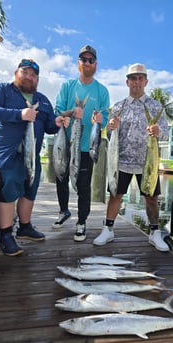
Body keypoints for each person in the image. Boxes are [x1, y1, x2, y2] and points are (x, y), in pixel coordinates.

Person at [0, 59, 70, 256]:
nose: (29, 77)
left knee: (30, 189)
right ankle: (5, 235)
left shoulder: (43, 100)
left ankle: (25, 227)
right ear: (16, 73)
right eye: (25, 72)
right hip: (7, 154)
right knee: (8, 190)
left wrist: (57, 122)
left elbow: (48, 127)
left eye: (33, 75)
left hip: (32, 154)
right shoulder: (2, 90)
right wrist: (19, 114)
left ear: (37, 79)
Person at [93, 63, 170, 252]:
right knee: (115, 195)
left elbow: (166, 135)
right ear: (127, 82)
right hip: (122, 161)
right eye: (133, 78)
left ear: (146, 81)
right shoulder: (119, 107)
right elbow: (111, 139)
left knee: (152, 198)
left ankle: (154, 233)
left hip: (147, 163)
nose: (136, 82)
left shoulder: (155, 106)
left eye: (140, 78)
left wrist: (159, 131)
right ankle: (108, 229)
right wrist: (111, 128)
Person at [52, 45, 110, 242]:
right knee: (61, 179)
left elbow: (107, 116)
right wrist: (71, 113)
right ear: (78, 63)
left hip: (86, 147)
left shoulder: (102, 91)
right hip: (65, 144)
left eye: (90, 60)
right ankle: (63, 211)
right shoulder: (67, 86)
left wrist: (101, 119)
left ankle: (81, 222)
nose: (87, 63)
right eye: (83, 59)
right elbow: (58, 111)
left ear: (96, 64)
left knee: (83, 186)